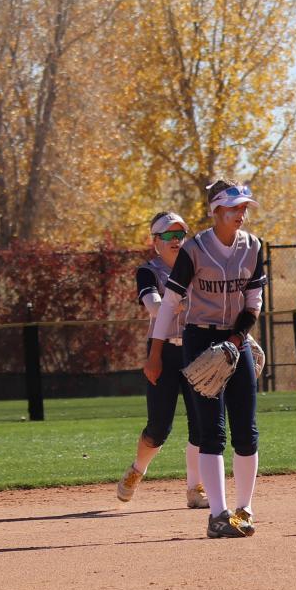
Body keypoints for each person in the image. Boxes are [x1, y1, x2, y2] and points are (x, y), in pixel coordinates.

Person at [164, 181, 267, 538]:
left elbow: (254, 304)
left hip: (236, 338)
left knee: (247, 430)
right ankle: (217, 515)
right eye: (235, 208)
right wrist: (155, 349)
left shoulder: (253, 247)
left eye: (244, 208)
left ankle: (244, 509)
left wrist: (238, 339)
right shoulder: (194, 249)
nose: (242, 213)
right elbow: (170, 302)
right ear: (216, 211)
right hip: (200, 337)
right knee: (211, 431)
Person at [114, 211, 216, 509]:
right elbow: (155, 307)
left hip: (196, 351)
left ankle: (195, 488)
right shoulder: (149, 271)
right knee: (158, 428)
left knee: (201, 425)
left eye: (180, 235)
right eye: (169, 235)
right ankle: (137, 470)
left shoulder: (199, 268)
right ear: (155, 241)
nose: (176, 241)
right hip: (163, 352)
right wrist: (191, 305)